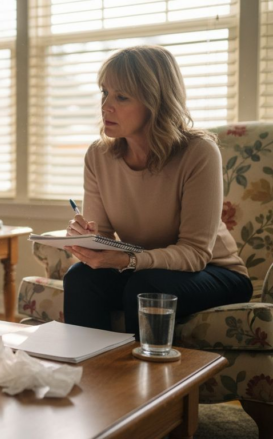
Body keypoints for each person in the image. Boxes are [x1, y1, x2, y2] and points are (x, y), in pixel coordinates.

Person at [62, 45, 252, 336]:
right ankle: (89, 374)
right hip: (144, 271)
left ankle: (142, 380)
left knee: (146, 286)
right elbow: (103, 237)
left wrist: (130, 261)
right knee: (81, 277)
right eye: (104, 92)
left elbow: (195, 253)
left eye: (121, 96)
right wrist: (87, 240)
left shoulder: (198, 152)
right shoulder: (98, 156)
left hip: (214, 272)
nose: (105, 106)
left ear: (155, 101)